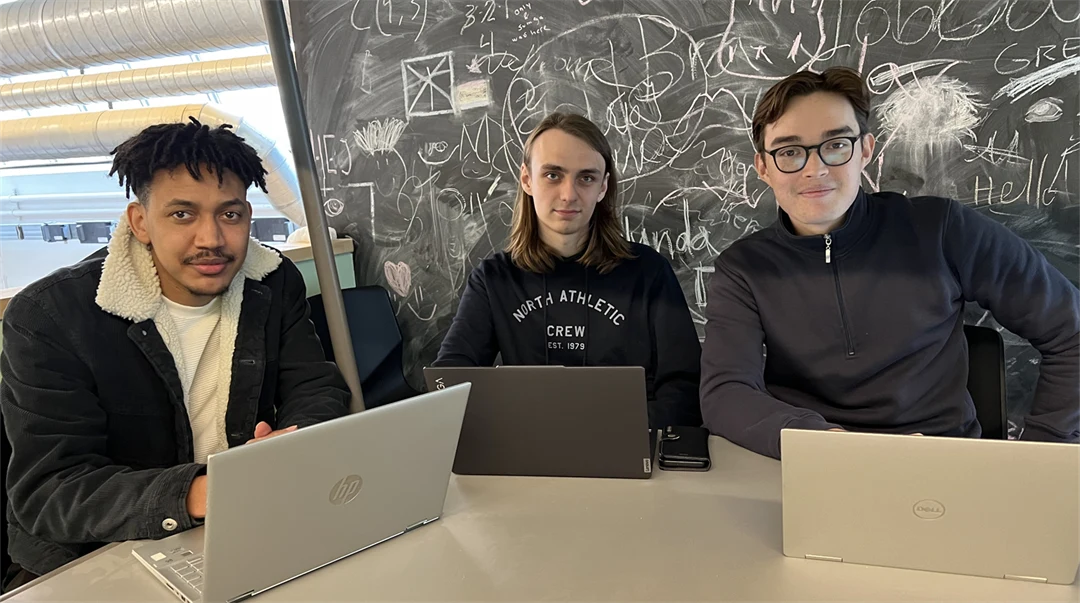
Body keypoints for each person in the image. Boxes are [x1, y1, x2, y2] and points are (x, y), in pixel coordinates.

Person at [0, 117, 350, 588]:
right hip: (88, 558)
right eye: (183, 214)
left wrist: (295, 440)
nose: (211, 239)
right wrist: (199, 493)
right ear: (140, 222)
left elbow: (314, 386)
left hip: (237, 528)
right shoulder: (51, 315)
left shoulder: (271, 282)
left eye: (230, 214)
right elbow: (50, 491)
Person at [700, 67, 1080, 459]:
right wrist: (827, 443)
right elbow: (726, 392)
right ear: (763, 167)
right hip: (808, 460)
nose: (815, 169)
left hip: (940, 464)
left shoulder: (942, 230)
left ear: (865, 149)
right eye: (790, 151)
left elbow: (1071, 330)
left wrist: (1047, 453)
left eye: (835, 145)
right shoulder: (743, 268)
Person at [434, 112, 702, 429]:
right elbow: (451, 376)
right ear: (527, 180)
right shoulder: (494, 279)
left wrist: (613, 431)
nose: (568, 194)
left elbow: (685, 387)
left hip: (627, 448)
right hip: (529, 446)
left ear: (603, 187)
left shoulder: (649, 272)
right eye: (553, 175)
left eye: (586, 178)